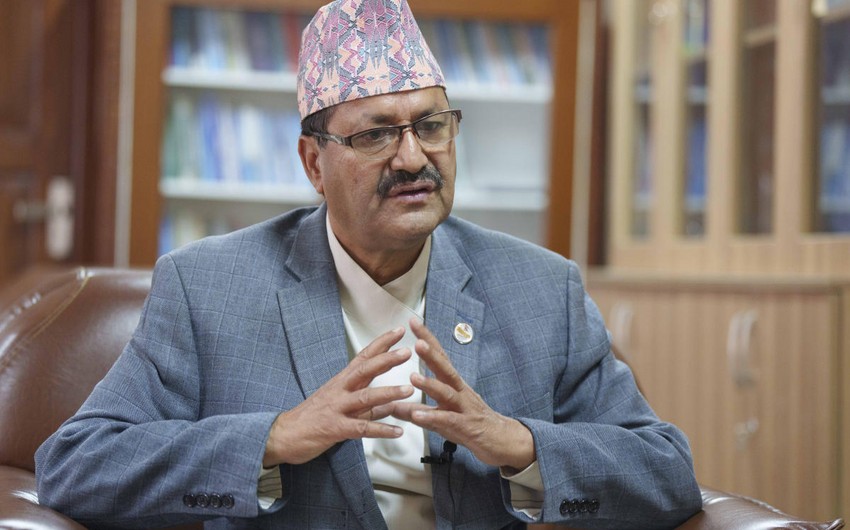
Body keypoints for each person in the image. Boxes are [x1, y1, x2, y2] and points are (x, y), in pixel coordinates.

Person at [35, 0, 702, 528]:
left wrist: (517, 444)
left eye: (431, 126)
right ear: (313, 164)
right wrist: (274, 438)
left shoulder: (541, 288)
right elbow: (76, 465)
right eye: (376, 134)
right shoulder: (209, 287)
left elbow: (666, 473)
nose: (413, 157)